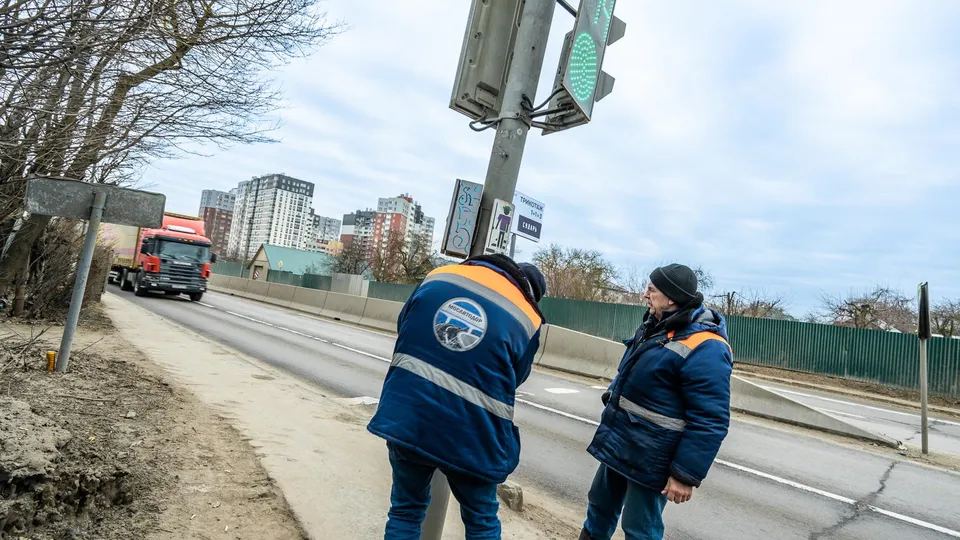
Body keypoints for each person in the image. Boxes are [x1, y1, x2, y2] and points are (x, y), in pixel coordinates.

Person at [367, 254, 547, 539]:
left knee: (405, 510)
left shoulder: (439, 276)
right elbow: (517, 376)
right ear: (530, 293)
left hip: (409, 415)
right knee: (481, 518)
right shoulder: (526, 317)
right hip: (472, 434)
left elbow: (405, 324)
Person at [580, 264, 733, 540]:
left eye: (651, 290)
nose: (644, 295)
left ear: (671, 298)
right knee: (599, 510)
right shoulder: (654, 326)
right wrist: (612, 395)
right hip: (621, 440)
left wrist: (685, 474)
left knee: (640, 530)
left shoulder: (707, 346)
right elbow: (629, 369)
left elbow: (711, 419)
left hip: (653, 457)